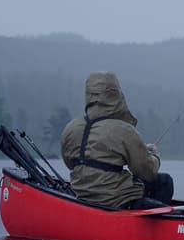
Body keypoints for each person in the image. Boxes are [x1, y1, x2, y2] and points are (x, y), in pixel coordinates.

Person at [60, 71, 174, 209]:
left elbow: (70, 163)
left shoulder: (70, 129)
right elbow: (147, 171)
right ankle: (154, 226)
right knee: (164, 181)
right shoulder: (124, 130)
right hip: (116, 200)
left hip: (82, 197)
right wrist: (154, 155)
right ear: (115, 94)